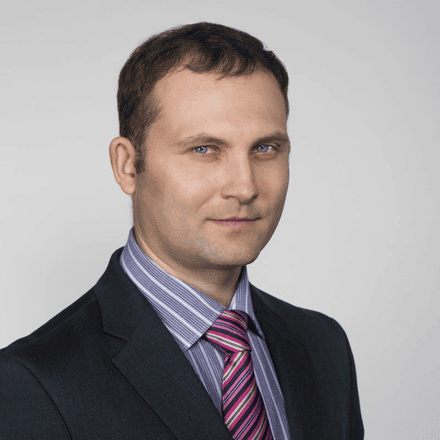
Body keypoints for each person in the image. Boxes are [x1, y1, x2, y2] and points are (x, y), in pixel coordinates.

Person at [0, 22, 364, 440]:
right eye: (204, 149)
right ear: (127, 165)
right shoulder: (32, 383)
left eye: (265, 148)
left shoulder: (323, 346)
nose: (245, 187)